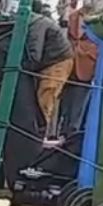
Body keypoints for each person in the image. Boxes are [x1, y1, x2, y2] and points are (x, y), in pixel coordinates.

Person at [29, 1, 75, 136]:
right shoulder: (40, 21)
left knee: (46, 95)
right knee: (45, 96)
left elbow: (34, 53)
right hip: (53, 59)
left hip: (58, 61)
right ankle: (41, 132)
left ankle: (40, 135)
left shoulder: (37, 23)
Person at [61, 3, 98, 136]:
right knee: (65, 104)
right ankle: (63, 132)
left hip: (87, 70)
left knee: (79, 106)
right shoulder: (74, 16)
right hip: (69, 67)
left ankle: (72, 134)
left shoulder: (97, 21)